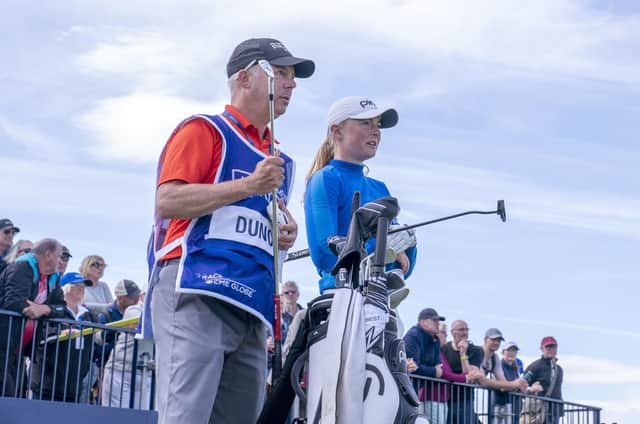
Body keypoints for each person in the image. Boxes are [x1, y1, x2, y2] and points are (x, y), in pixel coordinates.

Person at [145, 37, 314, 424]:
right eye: (281, 73)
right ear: (244, 78)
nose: (291, 84)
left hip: (250, 307)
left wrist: (282, 233)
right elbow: (168, 201)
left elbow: (252, 218)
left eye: (293, 76)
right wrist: (247, 187)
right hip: (197, 291)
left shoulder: (279, 158)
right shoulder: (205, 130)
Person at [304, 96, 417, 293]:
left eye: (378, 124)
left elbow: (403, 267)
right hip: (340, 298)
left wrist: (409, 245)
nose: (376, 131)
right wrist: (381, 247)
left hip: (381, 297)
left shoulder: (380, 188)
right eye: (365, 123)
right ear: (336, 130)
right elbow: (324, 253)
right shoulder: (325, 179)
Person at [0, 238, 65, 397]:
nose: (61, 261)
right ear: (48, 255)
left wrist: (43, 308)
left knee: (18, 395)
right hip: (3, 342)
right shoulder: (21, 267)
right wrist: (37, 309)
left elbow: (62, 308)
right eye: (59, 256)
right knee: (7, 395)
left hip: (19, 348)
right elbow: (14, 302)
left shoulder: (53, 277)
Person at [30, 272, 95, 402]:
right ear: (64, 288)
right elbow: (40, 332)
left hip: (73, 385)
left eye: (83, 286)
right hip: (47, 383)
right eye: (76, 286)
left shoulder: (89, 316)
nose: (81, 289)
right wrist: (58, 334)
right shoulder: (52, 309)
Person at [101, 302, 153, 409]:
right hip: (120, 371)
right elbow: (137, 325)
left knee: (142, 418)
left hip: (145, 373)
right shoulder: (133, 309)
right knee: (115, 417)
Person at [403, 308, 447, 424]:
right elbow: (413, 368)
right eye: (434, 321)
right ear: (423, 322)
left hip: (415, 391)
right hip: (404, 391)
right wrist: (433, 371)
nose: (438, 323)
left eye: (438, 321)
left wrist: (432, 370)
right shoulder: (413, 336)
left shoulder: (435, 340)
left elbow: (439, 369)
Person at [441, 319, 484, 424]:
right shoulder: (444, 349)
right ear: (452, 332)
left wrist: (463, 353)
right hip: (446, 400)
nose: (465, 333)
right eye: (461, 330)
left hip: (465, 401)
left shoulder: (476, 350)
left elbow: (469, 375)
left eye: (466, 330)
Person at [523, 336, 564, 424]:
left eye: (553, 347)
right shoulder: (535, 366)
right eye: (548, 347)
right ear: (542, 349)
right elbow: (521, 387)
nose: (551, 349)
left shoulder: (559, 369)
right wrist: (531, 389)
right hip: (538, 411)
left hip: (555, 411)